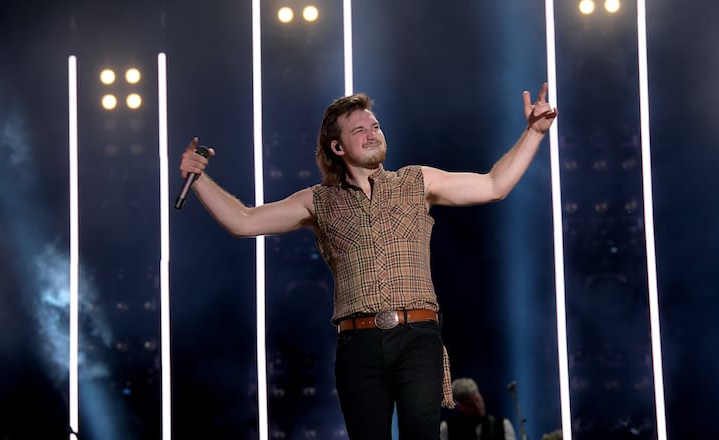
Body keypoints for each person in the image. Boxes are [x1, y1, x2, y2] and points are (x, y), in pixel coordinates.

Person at [178, 84, 557, 440]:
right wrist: (199, 179)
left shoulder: (416, 181)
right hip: (358, 343)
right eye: (358, 130)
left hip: (417, 337)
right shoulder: (318, 201)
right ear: (337, 147)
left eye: (374, 125)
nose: (372, 133)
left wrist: (535, 133)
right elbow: (243, 221)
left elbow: (494, 185)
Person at [440, 378, 517, 440]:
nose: (478, 407)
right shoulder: (447, 428)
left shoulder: (502, 425)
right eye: (471, 405)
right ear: (460, 407)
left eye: (478, 400)